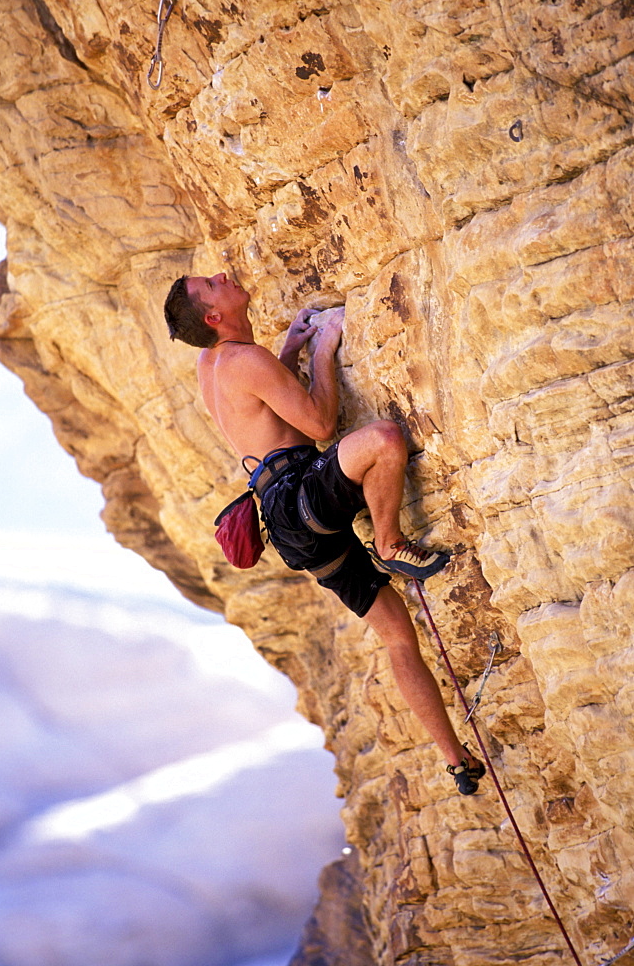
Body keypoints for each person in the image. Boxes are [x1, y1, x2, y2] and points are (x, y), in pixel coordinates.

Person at [164, 272, 485, 795]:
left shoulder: (215, 362)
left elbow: (265, 401)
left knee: (399, 636)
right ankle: (389, 543)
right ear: (213, 317)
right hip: (300, 498)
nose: (222, 275)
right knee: (381, 440)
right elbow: (317, 423)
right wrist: (323, 349)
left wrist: (289, 347)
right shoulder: (245, 359)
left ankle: (456, 762)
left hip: (288, 523)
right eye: (211, 284)